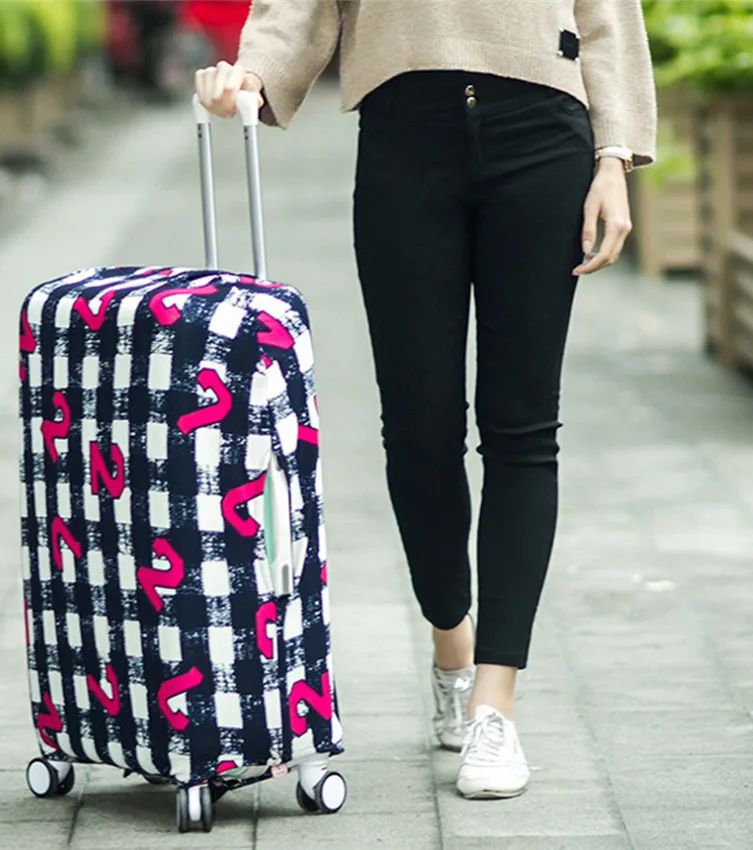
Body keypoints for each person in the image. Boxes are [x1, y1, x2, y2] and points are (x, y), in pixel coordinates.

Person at [195, 0, 656, 800]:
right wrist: (254, 73)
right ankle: (452, 646)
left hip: (544, 130)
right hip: (404, 134)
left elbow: (606, 12)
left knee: (522, 429)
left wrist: (613, 156)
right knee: (418, 431)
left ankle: (494, 704)